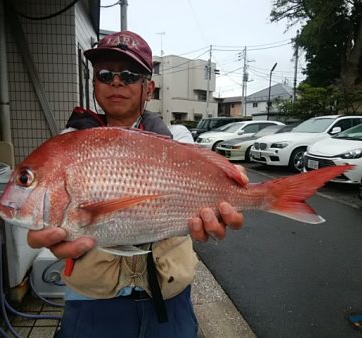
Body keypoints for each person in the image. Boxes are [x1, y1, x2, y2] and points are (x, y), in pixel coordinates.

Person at [27, 31, 247, 338]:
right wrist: (46, 229)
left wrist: (231, 186)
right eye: (105, 74)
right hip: (93, 303)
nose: (117, 82)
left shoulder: (178, 140)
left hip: (170, 302)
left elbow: (210, 182)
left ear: (149, 87)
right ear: (94, 83)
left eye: (130, 75)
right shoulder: (68, 146)